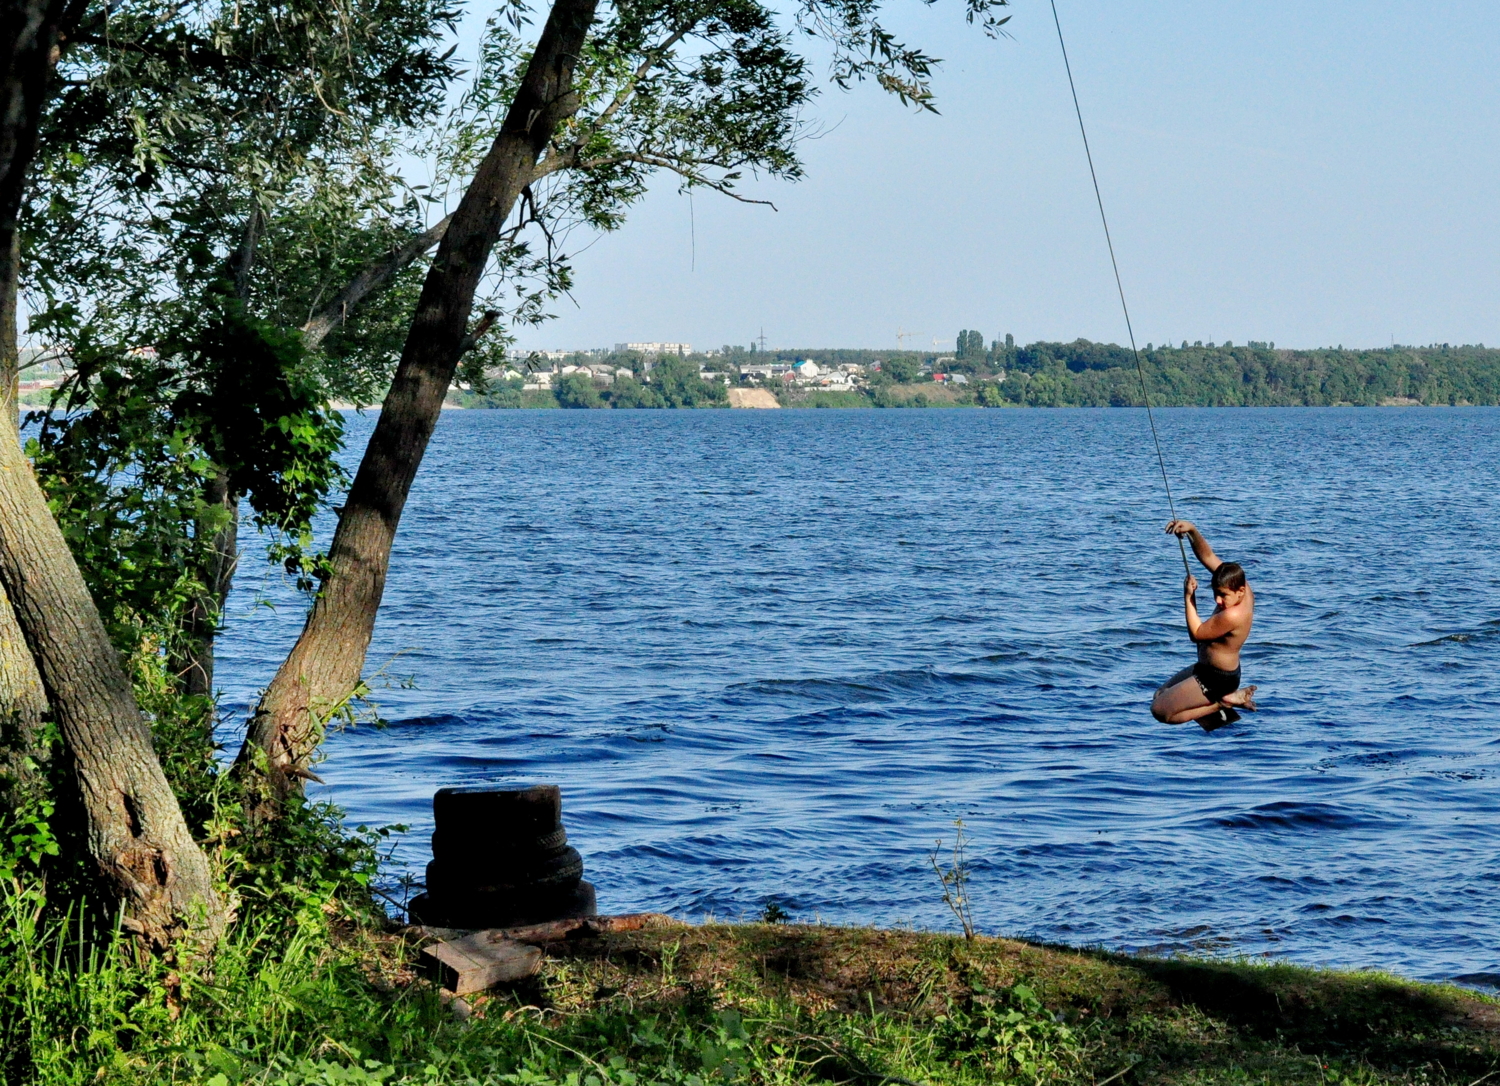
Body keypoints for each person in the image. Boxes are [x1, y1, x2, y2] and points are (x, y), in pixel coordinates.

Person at [1150, 520, 1257, 725]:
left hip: (1218, 679)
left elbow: (1196, 634)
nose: (1218, 600)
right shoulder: (1237, 584)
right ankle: (1225, 699)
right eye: (1215, 593)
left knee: (1160, 712)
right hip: (1205, 668)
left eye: (1222, 595)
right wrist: (1192, 530)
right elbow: (1208, 557)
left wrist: (1188, 597)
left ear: (1240, 591)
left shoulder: (1233, 615)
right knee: (1160, 695)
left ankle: (1224, 702)